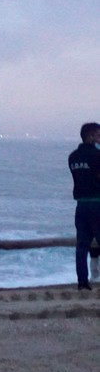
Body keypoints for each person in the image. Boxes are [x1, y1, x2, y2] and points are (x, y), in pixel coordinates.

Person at [68, 122, 100, 291]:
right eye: (98, 136)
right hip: (97, 203)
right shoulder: (97, 155)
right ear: (90, 136)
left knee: (82, 246)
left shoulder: (72, 157)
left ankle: (82, 282)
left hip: (81, 206)